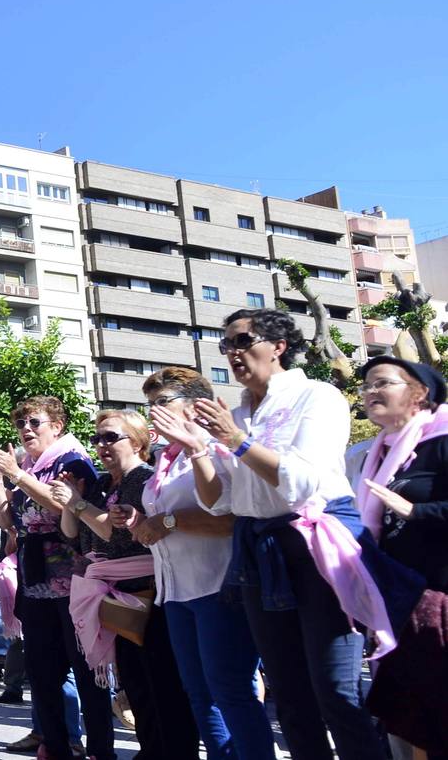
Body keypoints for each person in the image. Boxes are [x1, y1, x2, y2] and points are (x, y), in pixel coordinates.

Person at [192, 308, 386, 759]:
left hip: (315, 543)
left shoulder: (317, 396)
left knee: (336, 691)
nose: (233, 353)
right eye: (227, 345)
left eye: (243, 341)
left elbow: (302, 482)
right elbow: (219, 499)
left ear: (278, 346)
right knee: (289, 696)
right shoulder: (236, 411)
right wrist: (199, 449)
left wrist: (235, 440)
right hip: (259, 547)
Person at [143, 367, 275, 760]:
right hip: (177, 591)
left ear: (195, 405)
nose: (154, 412)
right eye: (149, 404)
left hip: (219, 587)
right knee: (199, 693)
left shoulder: (216, 447)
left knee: (230, 690)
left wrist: (170, 521)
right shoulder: (163, 460)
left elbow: (234, 516)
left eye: (162, 402)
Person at [56, 410, 200, 759]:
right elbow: (75, 536)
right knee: (136, 688)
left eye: (110, 437)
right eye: (97, 439)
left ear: (137, 441)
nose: (101, 445)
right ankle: (151, 749)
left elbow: (112, 531)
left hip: (146, 593)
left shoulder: (145, 479)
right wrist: (71, 502)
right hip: (115, 596)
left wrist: (77, 502)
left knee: (160, 686)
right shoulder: (104, 484)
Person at [0, 398, 113, 760]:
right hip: (36, 582)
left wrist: (19, 476)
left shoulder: (72, 461)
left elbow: (62, 508)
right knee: (41, 673)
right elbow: (10, 524)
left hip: (74, 583)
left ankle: (100, 749)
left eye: (34, 421)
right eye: (20, 422)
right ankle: (53, 745)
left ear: (56, 425)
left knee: (87, 674)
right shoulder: (28, 465)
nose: (25, 428)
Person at [353, 357, 448, 759]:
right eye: (366, 386)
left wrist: (415, 512)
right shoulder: (377, 453)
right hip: (402, 604)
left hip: (440, 600)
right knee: (414, 722)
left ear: (419, 393)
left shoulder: (442, 439)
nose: (370, 392)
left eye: (383, 383)